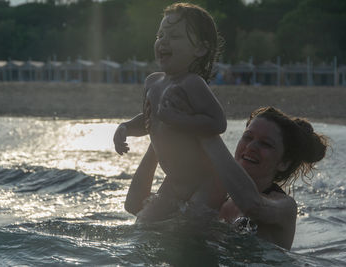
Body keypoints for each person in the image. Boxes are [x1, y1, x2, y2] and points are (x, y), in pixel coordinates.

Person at [125, 106, 328, 250]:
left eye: (266, 144)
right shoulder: (214, 193)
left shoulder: (284, 206)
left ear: (284, 162)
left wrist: (206, 133)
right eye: (248, 137)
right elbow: (136, 207)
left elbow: (252, 205)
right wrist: (156, 141)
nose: (251, 147)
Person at [114, 3, 227, 222]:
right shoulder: (153, 82)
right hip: (174, 181)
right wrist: (126, 127)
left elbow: (218, 122)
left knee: (189, 233)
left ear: (200, 49)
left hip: (206, 181)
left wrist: (179, 119)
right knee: (144, 224)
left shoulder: (193, 83)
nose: (163, 41)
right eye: (160, 35)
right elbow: (149, 121)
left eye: (174, 36)